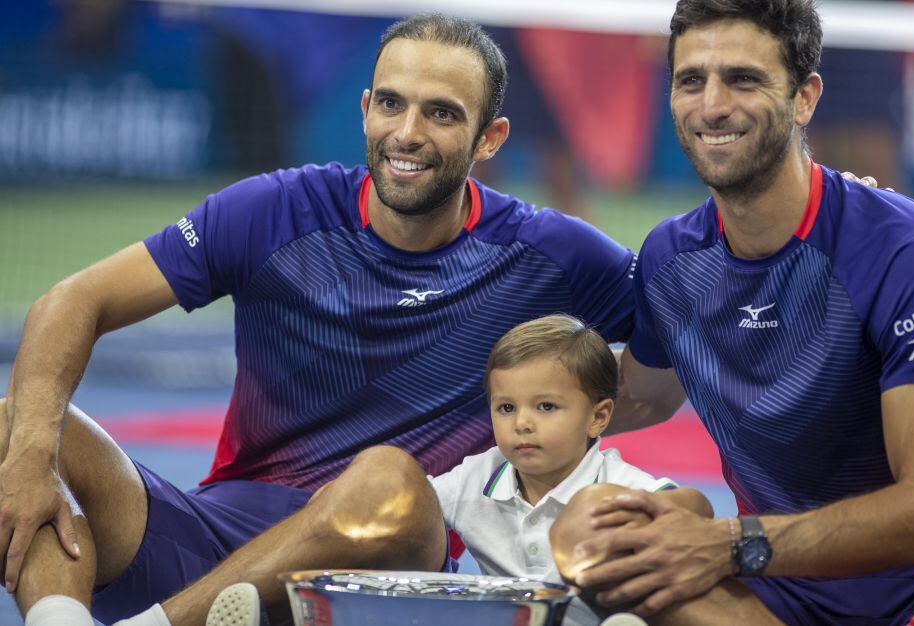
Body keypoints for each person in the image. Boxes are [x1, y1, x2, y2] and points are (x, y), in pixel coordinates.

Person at [0, 14, 640, 626]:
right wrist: (30, 462)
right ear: (365, 109)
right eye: (392, 103)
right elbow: (71, 302)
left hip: (378, 582)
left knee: (388, 476)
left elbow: (679, 323)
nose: (408, 132)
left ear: (490, 138)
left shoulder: (553, 254)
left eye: (441, 113)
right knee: (15, 424)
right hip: (212, 545)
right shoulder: (272, 211)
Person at [548, 1, 914, 625]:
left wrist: (727, 543)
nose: (712, 105)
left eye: (743, 79)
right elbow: (638, 397)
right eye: (691, 80)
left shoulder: (905, 253)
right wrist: (489, 401)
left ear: (804, 99)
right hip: (784, 597)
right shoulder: (671, 259)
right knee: (593, 529)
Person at [429, 314, 711, 626]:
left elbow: (694, 509)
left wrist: (675, 511)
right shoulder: (477, 475)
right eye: (506, 408)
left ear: (598, 417)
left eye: (546, 406)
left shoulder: (618, 485)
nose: (522, 424)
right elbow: (412, 505)